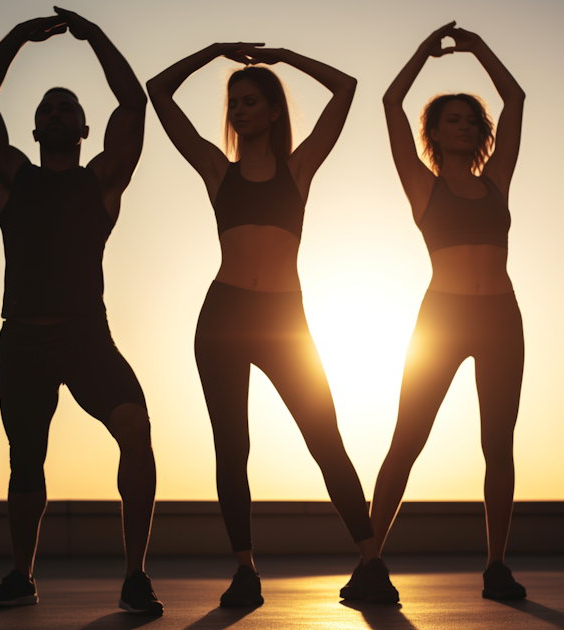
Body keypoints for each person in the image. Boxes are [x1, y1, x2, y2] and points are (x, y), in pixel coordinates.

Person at [147, 43, 398, 606]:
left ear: (274, 110)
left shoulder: (299, 168)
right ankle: (244, 571)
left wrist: (285, 58)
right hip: (224, 317)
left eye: (250, 100)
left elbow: (346, 88)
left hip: (285, 319)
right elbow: (158, 92)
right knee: (231, 447)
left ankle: (371, 563)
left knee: (324, 436)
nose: (237, 110)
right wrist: (212, 54)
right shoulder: (217, 170)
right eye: (232, 102)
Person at [0, 7, 162, 615]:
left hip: (84, 336)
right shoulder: (12, 178)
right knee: (26, 459)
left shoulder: (101, 181)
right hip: (21, 340)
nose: (54, 113)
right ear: (34, 126)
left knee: (135, 428)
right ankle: (22, 575)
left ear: (83, 129)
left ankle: (135, 576)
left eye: (66, 108)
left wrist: (95, 36)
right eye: (46, 107)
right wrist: (20, 36)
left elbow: (133, 107)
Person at [371, 22, 526, 600]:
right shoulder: (422, 184)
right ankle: (370, 560)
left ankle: (497, 567)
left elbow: (515, 99)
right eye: (451, 118)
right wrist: (423, 53)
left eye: (470, 119)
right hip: (442, 317)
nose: (464, 125)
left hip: (501, 317)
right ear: (433, 132)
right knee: (408, 437)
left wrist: (480, 47)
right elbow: (391, 102)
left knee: (499, 444)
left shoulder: (498, 183)